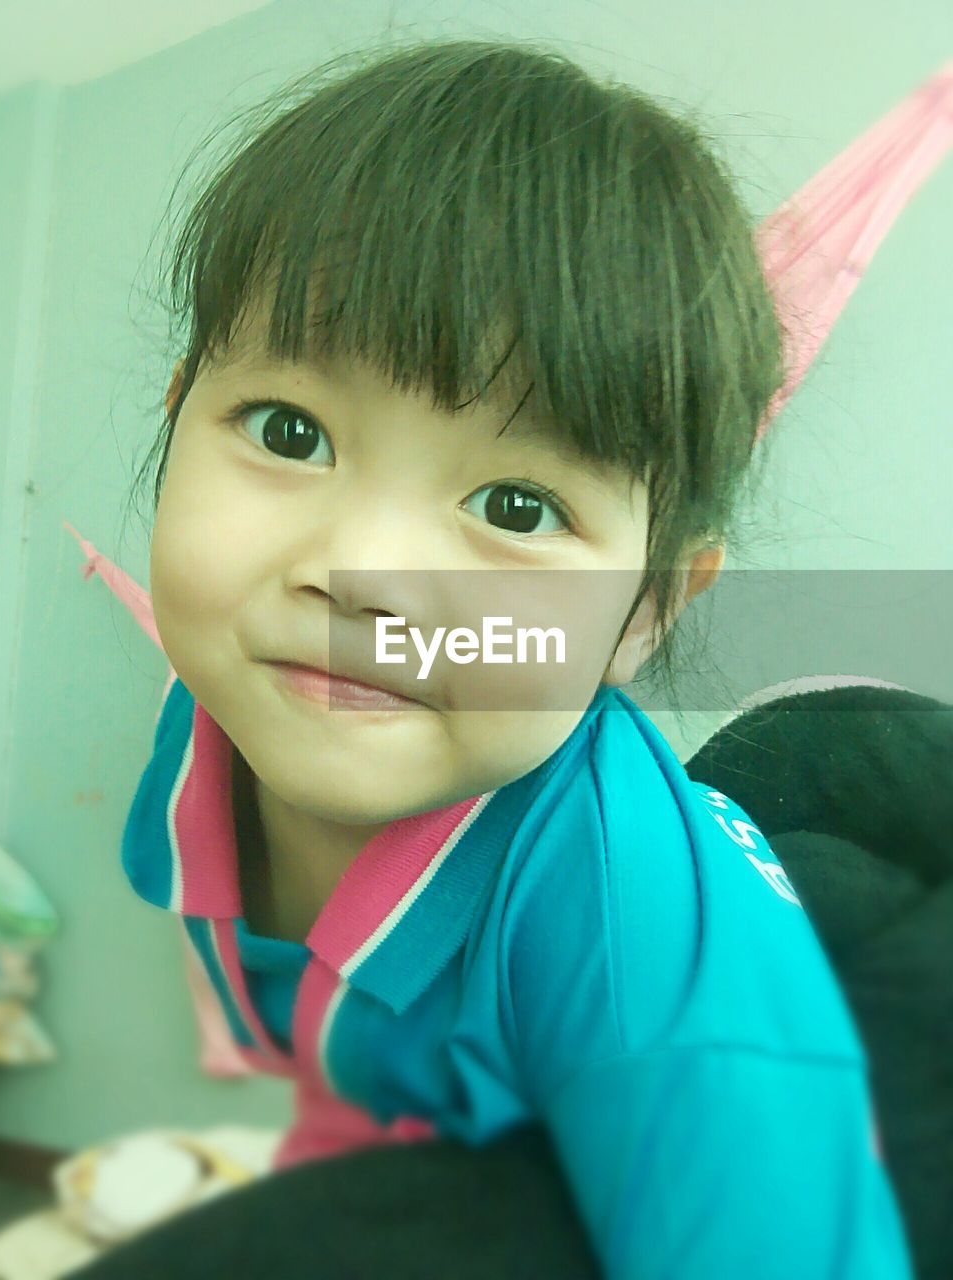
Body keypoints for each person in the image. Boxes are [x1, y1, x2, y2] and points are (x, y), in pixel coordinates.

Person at [102, 39, 914, 1278]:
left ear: (644, 614)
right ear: (175, 425)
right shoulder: (215, 719)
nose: (359, 574)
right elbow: (347, 1078)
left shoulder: (654, 975)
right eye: (291, 430)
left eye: (519, 508)